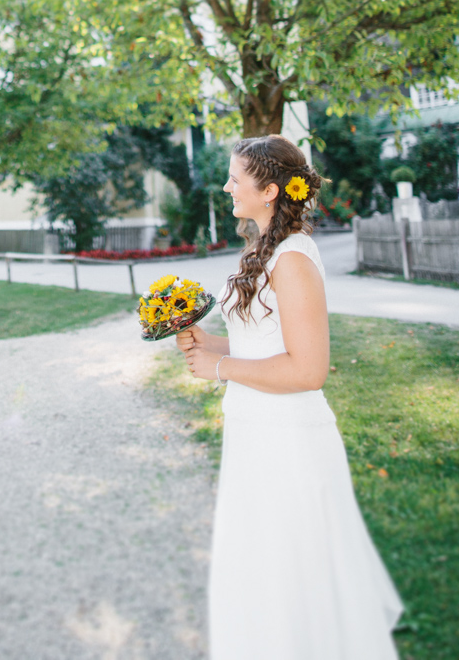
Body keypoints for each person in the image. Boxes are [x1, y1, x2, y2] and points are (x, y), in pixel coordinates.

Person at [177, 134, 402, 660]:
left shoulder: (294, 258)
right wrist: (208, 343)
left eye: (236, 178)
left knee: (294, 574)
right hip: (254, 432)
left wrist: (221, 366)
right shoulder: (262, 248)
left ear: (270, 190)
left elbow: (308, 368)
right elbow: (266, 342)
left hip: (289, 443)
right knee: (260, 570)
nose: (227, 186)